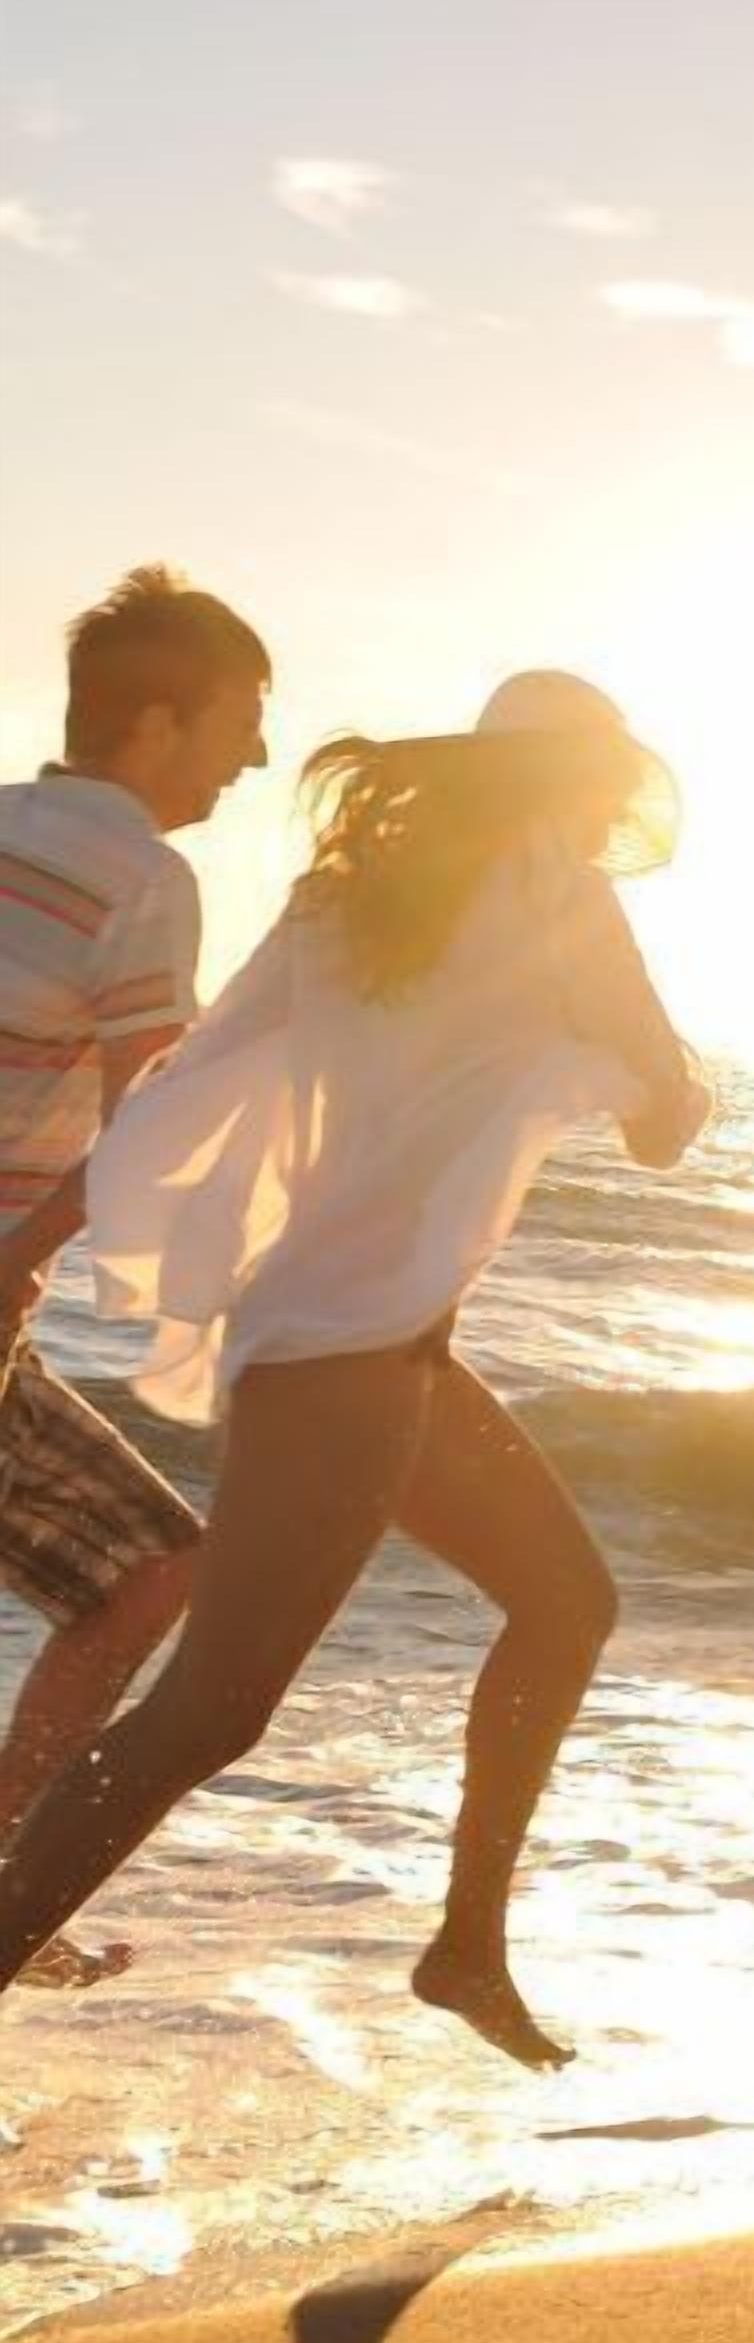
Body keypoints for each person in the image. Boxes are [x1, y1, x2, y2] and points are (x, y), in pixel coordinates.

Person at [0, 673, 709, 2068]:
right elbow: (666, 1127)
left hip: (351, 1342)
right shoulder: (563, 892)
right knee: (209, 1710)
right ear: (579, 783)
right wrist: (658, 1069)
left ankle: (466, 1948)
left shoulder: (349, 897)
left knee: (567, 1601)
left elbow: (180, 1089)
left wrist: (27, 1239)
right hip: (352, 1357)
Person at [0, 573, 272, 1970]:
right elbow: (144, 1127)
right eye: (240, 720)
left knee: (153, 1572)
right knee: (153, 1576)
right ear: (160, 721)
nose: (256, 756)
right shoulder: (150, 882)